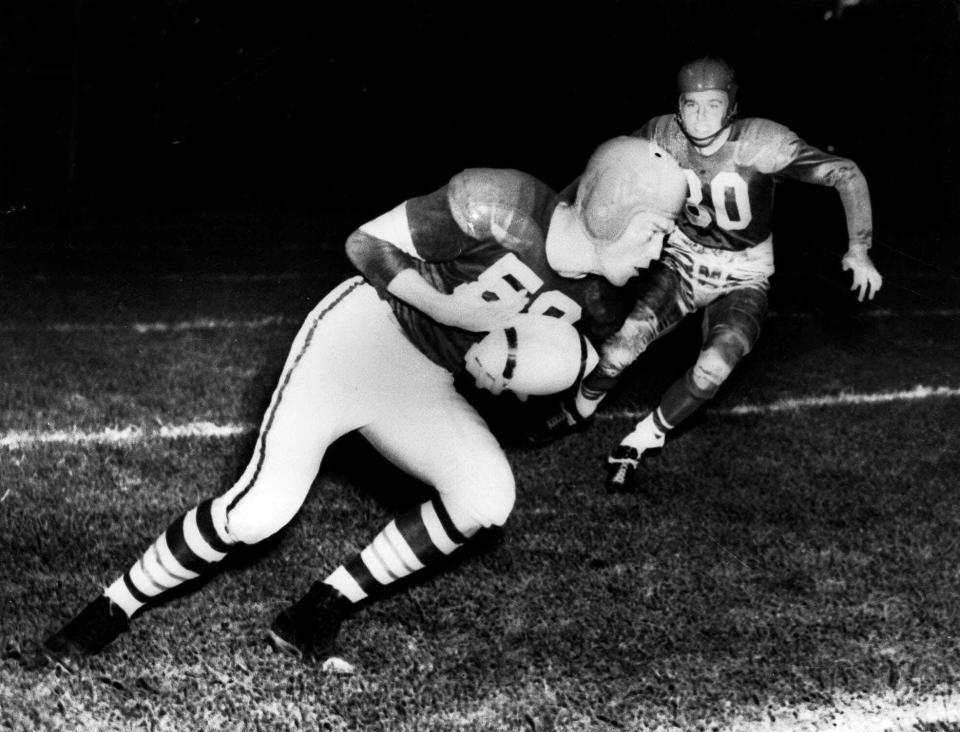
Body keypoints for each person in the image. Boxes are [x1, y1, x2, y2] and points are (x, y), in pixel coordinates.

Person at [40, 136, 688, 670]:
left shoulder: (600, 301)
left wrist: (518, 376)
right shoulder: (502, 200)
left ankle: (315, 613)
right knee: (257, 515)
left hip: (422, 380)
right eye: (657, 229)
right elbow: (365, 244)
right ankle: (107, 611)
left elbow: (553, 369)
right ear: (611, 211)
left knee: (486, 496)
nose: (660, 250)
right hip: (363, 336)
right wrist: (445, 306)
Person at [533, 56, 883, 492]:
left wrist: (859, 248)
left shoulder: (762, 142)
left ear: (732, 106)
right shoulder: (661, 134)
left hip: (743, 273)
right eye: (692, 105)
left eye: (713, 105)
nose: (700, 117)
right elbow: (605, 168)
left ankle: (641, 441)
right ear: (678, 107)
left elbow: (844, 173)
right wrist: (564, 210)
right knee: (621, 348)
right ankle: (578, 411)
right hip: (683, 260)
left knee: (714, 367)